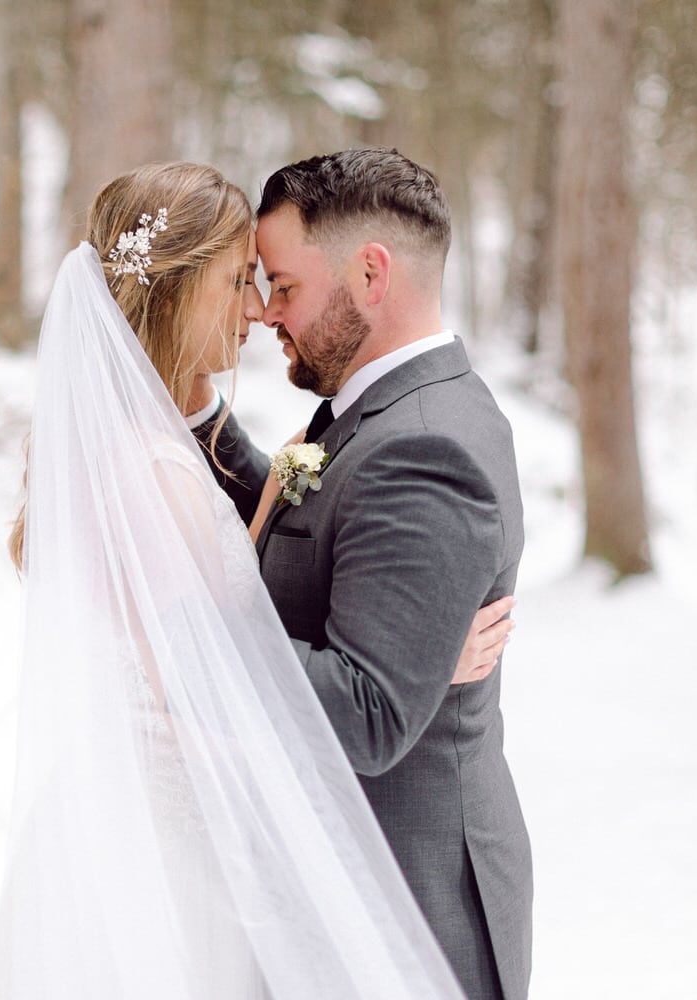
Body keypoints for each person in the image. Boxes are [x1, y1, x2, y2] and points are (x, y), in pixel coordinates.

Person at [0, 161, 512, 999]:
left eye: (269, 283)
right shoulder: (151, 473)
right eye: (238, 283)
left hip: (188, 833)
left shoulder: (171, 439)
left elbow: (253, 543)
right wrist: (428, 666)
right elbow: (201, 683)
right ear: (176, 294)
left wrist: (407, 654)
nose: (261, 309)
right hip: (172, 845)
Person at [199, 148, 532, 1000]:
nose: (267, 313)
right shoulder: (382, 404)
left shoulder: (426, 447)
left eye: (284, 287)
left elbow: (372, 713)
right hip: (345, 887)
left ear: (371, 274)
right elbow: (297, 508)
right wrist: (191, 400)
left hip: (403, 910)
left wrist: (189, 616)